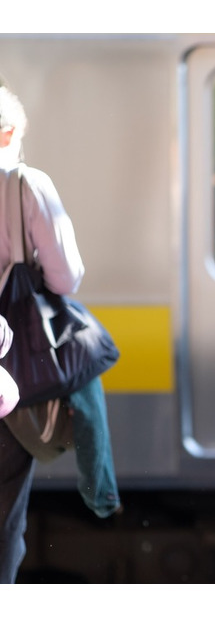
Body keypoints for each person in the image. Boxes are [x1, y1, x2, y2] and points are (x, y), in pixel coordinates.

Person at [0, 85, 86, 583]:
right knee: (4, 514)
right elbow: (66, 277)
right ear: (8, 132)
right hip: (9, 375)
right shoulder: (25, 186)